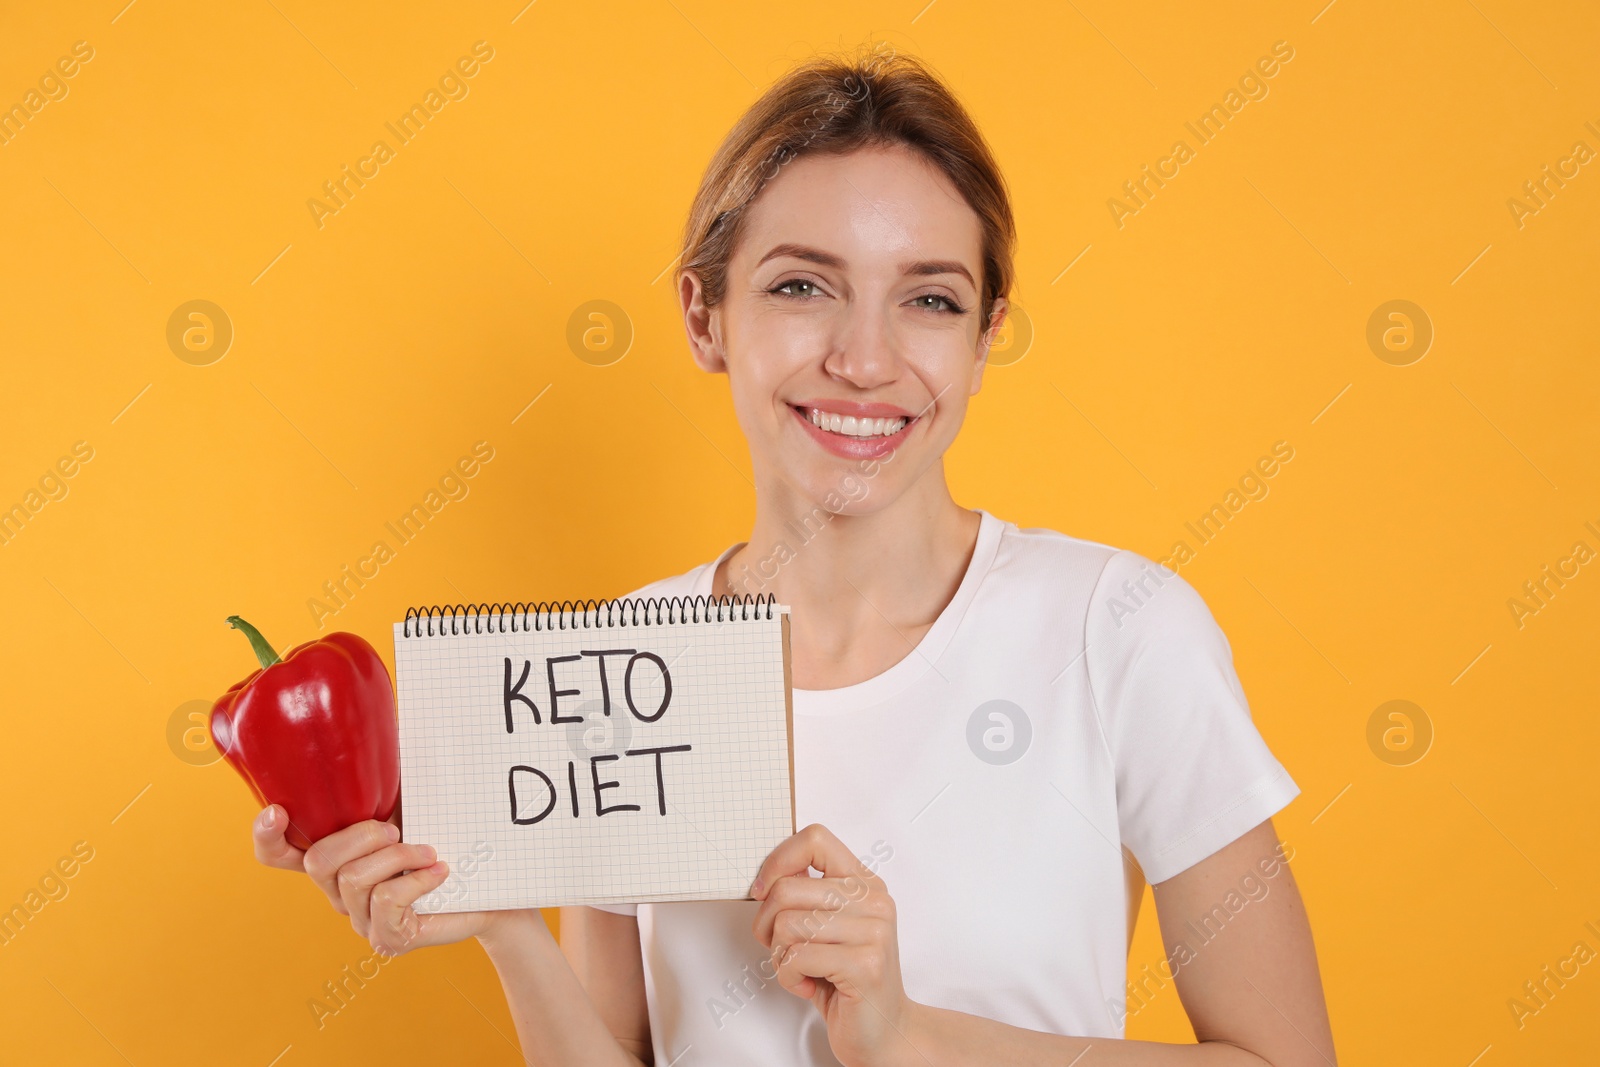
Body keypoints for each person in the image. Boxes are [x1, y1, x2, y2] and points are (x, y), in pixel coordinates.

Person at [251, 49, 1336, 1067]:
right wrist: (503, 926)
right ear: (703, 313)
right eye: (800, 285)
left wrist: (906, 1037)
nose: (865, 359)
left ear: (984, 333)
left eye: (929, 299)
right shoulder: (624, 662)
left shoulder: (1119, 629)